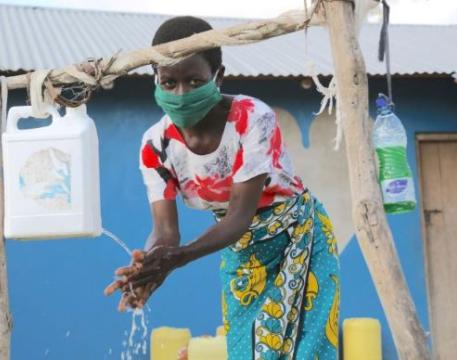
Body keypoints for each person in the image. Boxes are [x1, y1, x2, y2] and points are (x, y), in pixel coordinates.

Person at [104, 16, 340, 360]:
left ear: (219, 76)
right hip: (240, 250)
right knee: (246, 352)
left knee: (309, 351)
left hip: (299, 236)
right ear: (155, 79)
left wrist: (178, 258)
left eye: (194, 80)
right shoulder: (156, 146)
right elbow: (166, 233)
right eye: (168, 82)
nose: (180, 94)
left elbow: (239, 215)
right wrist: (149, 268)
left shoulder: (250, 118)